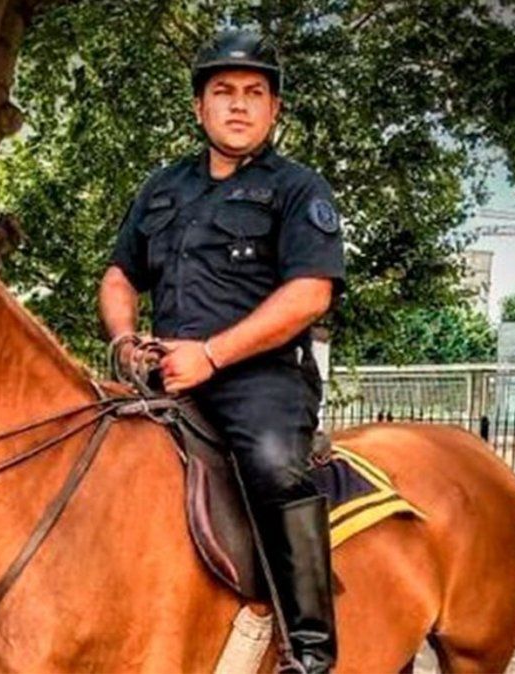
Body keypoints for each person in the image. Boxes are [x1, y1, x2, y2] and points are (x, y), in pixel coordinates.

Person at [98, 29, 345, 673]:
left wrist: (211, 354)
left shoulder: (298, 188)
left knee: (271, 468)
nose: (239, 105)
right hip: (162, 374)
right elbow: (121, 275)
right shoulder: (160, 188)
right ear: (199, 108)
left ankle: (310, 650)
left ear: (274, 110)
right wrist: (124, 338)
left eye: (254, 94)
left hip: (260, 380)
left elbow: (309, 294)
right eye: (223, 92)